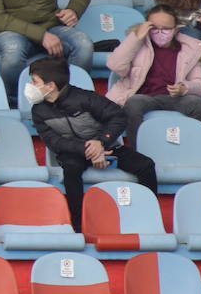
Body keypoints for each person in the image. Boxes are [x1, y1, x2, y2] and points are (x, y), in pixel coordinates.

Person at [28, 57, 159, 229]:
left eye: (34, 82)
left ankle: (148, 219)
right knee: (71, 169)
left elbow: (118, 117)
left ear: (50, 86)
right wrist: (88, 149)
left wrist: (100, 142)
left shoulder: (85, 98)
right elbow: (54, 142)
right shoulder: (38, 110)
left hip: (105, 145)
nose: (30, 86)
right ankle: (78, 226)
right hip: (73, 151)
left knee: (146, 165)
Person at [105, 4, 201, 141]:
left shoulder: (189, 49)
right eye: (154, 28)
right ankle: (138, 153)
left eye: (166, 28)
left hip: (175, 98)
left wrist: (185, 88)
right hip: (143, 96)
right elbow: (115, 65)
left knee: (199, 106)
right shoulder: (137, 44)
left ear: (175, 29)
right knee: (133, 103)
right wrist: (136, 37)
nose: (160, 32)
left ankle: (190, 148)